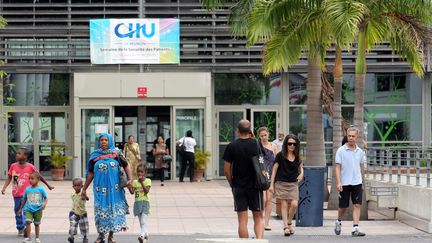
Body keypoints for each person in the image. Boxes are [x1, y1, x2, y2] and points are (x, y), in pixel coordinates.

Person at [82, 133, 132, 243]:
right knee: (100, 212)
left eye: (106, 140)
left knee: (112, 211)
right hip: (100, 190)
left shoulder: (116, 153)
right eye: (101, 140)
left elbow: (126, 165)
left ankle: (111, 236)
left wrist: (130, 179)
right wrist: (84, 189)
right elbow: (90, 173)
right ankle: (101, 236)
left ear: (110, 141)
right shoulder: (94, 155)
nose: (103, 142)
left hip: (115, 190)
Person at [223, 120, 264, 239]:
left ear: (237, 130)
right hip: (255, 186)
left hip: (239, 186)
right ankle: (259, 241)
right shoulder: (256, 144)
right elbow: (261, 162)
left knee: (242, 220)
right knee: (258, 217)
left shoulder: (232, 146)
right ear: (250, 130)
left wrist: (232, 183)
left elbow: (226, 169)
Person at [1, 148, 54, 237]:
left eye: (19, 153)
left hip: (27, 195)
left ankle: (26, 226)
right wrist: (4, 187)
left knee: (26, 211)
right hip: (17, 194)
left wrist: (48, 185)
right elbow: (9, 177)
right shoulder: (13, 166)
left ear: (25, 156)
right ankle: (20, 227)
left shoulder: (30, 167)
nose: (16, 155)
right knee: (17, 210)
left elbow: (39, 176)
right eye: (17, 153)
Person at [334, 127, 366, 237]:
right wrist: (338, 182)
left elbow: (361, 167)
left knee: (357, 205)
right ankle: (338, 221)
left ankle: (355, 228)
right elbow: (337, 167)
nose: (351, 138)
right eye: (349, 136)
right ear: (347, 136)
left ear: (356, 137)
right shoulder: (341, 150)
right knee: (343, 207)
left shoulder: (360, 152)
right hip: (344, 183)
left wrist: (362, 182)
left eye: (353, 136)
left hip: (357, 182)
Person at [269, 134, 303, 236]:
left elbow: (301, 168)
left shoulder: (297, 157)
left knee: (294, 204)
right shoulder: (280, 155)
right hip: (281, 182)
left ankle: (289, 222)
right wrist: (271, 185)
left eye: (294, 144)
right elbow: (274, 170)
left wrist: (301, 174)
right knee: (283, 204)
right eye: (289, 144)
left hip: (293, 183)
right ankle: (285, 227)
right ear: (286, 144)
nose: (292, 146)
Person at [257, 127, 278, 231]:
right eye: (262, 136)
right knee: (263, 199)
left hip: (271, 176)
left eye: (265, 135)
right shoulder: (257, 146)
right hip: (260, 176)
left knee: (269, 200)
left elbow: (277, 162)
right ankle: (260, 220)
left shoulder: (273, 146)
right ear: (259, 136)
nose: (264, 137)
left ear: (268, 134)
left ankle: (267, 223)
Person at [18, 172, 48, 243]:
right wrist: (20, 208)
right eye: (29, 179)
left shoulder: (41, 189)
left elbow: (46, 198)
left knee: (36, 224)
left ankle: (37, 238)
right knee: (28, 222)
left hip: (38, 210)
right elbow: (24, 199)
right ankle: (28, 238)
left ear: (38, 179)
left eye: (32, 179)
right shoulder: (27, 189)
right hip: (28, 209)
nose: (30, 180)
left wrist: (44, 204)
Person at [128, 163, 151, 243]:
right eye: (138, 172)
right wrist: (129, 186)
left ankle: (141, 236)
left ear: (145, 173)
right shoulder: (135, 182)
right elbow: (132, 192)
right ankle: (146, 235)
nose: (139, 173)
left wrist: (141, 183)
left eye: (141, 172)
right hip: (137, 203)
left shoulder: (148, 181)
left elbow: (146, 191)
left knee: (143, 221)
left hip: (145, 203)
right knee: (141, 222)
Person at [68, 178, 89, 243]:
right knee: (73, 224)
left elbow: (87, 199)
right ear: (73, 186)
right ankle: (71, 236)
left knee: (84, 227)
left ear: (82, 186)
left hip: (82, 213)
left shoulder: (82, 194)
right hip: (74, 212)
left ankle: (85, 237)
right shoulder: (72, 194)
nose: (77, 187)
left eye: (78, 185)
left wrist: (85, 195)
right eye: (75, 185)